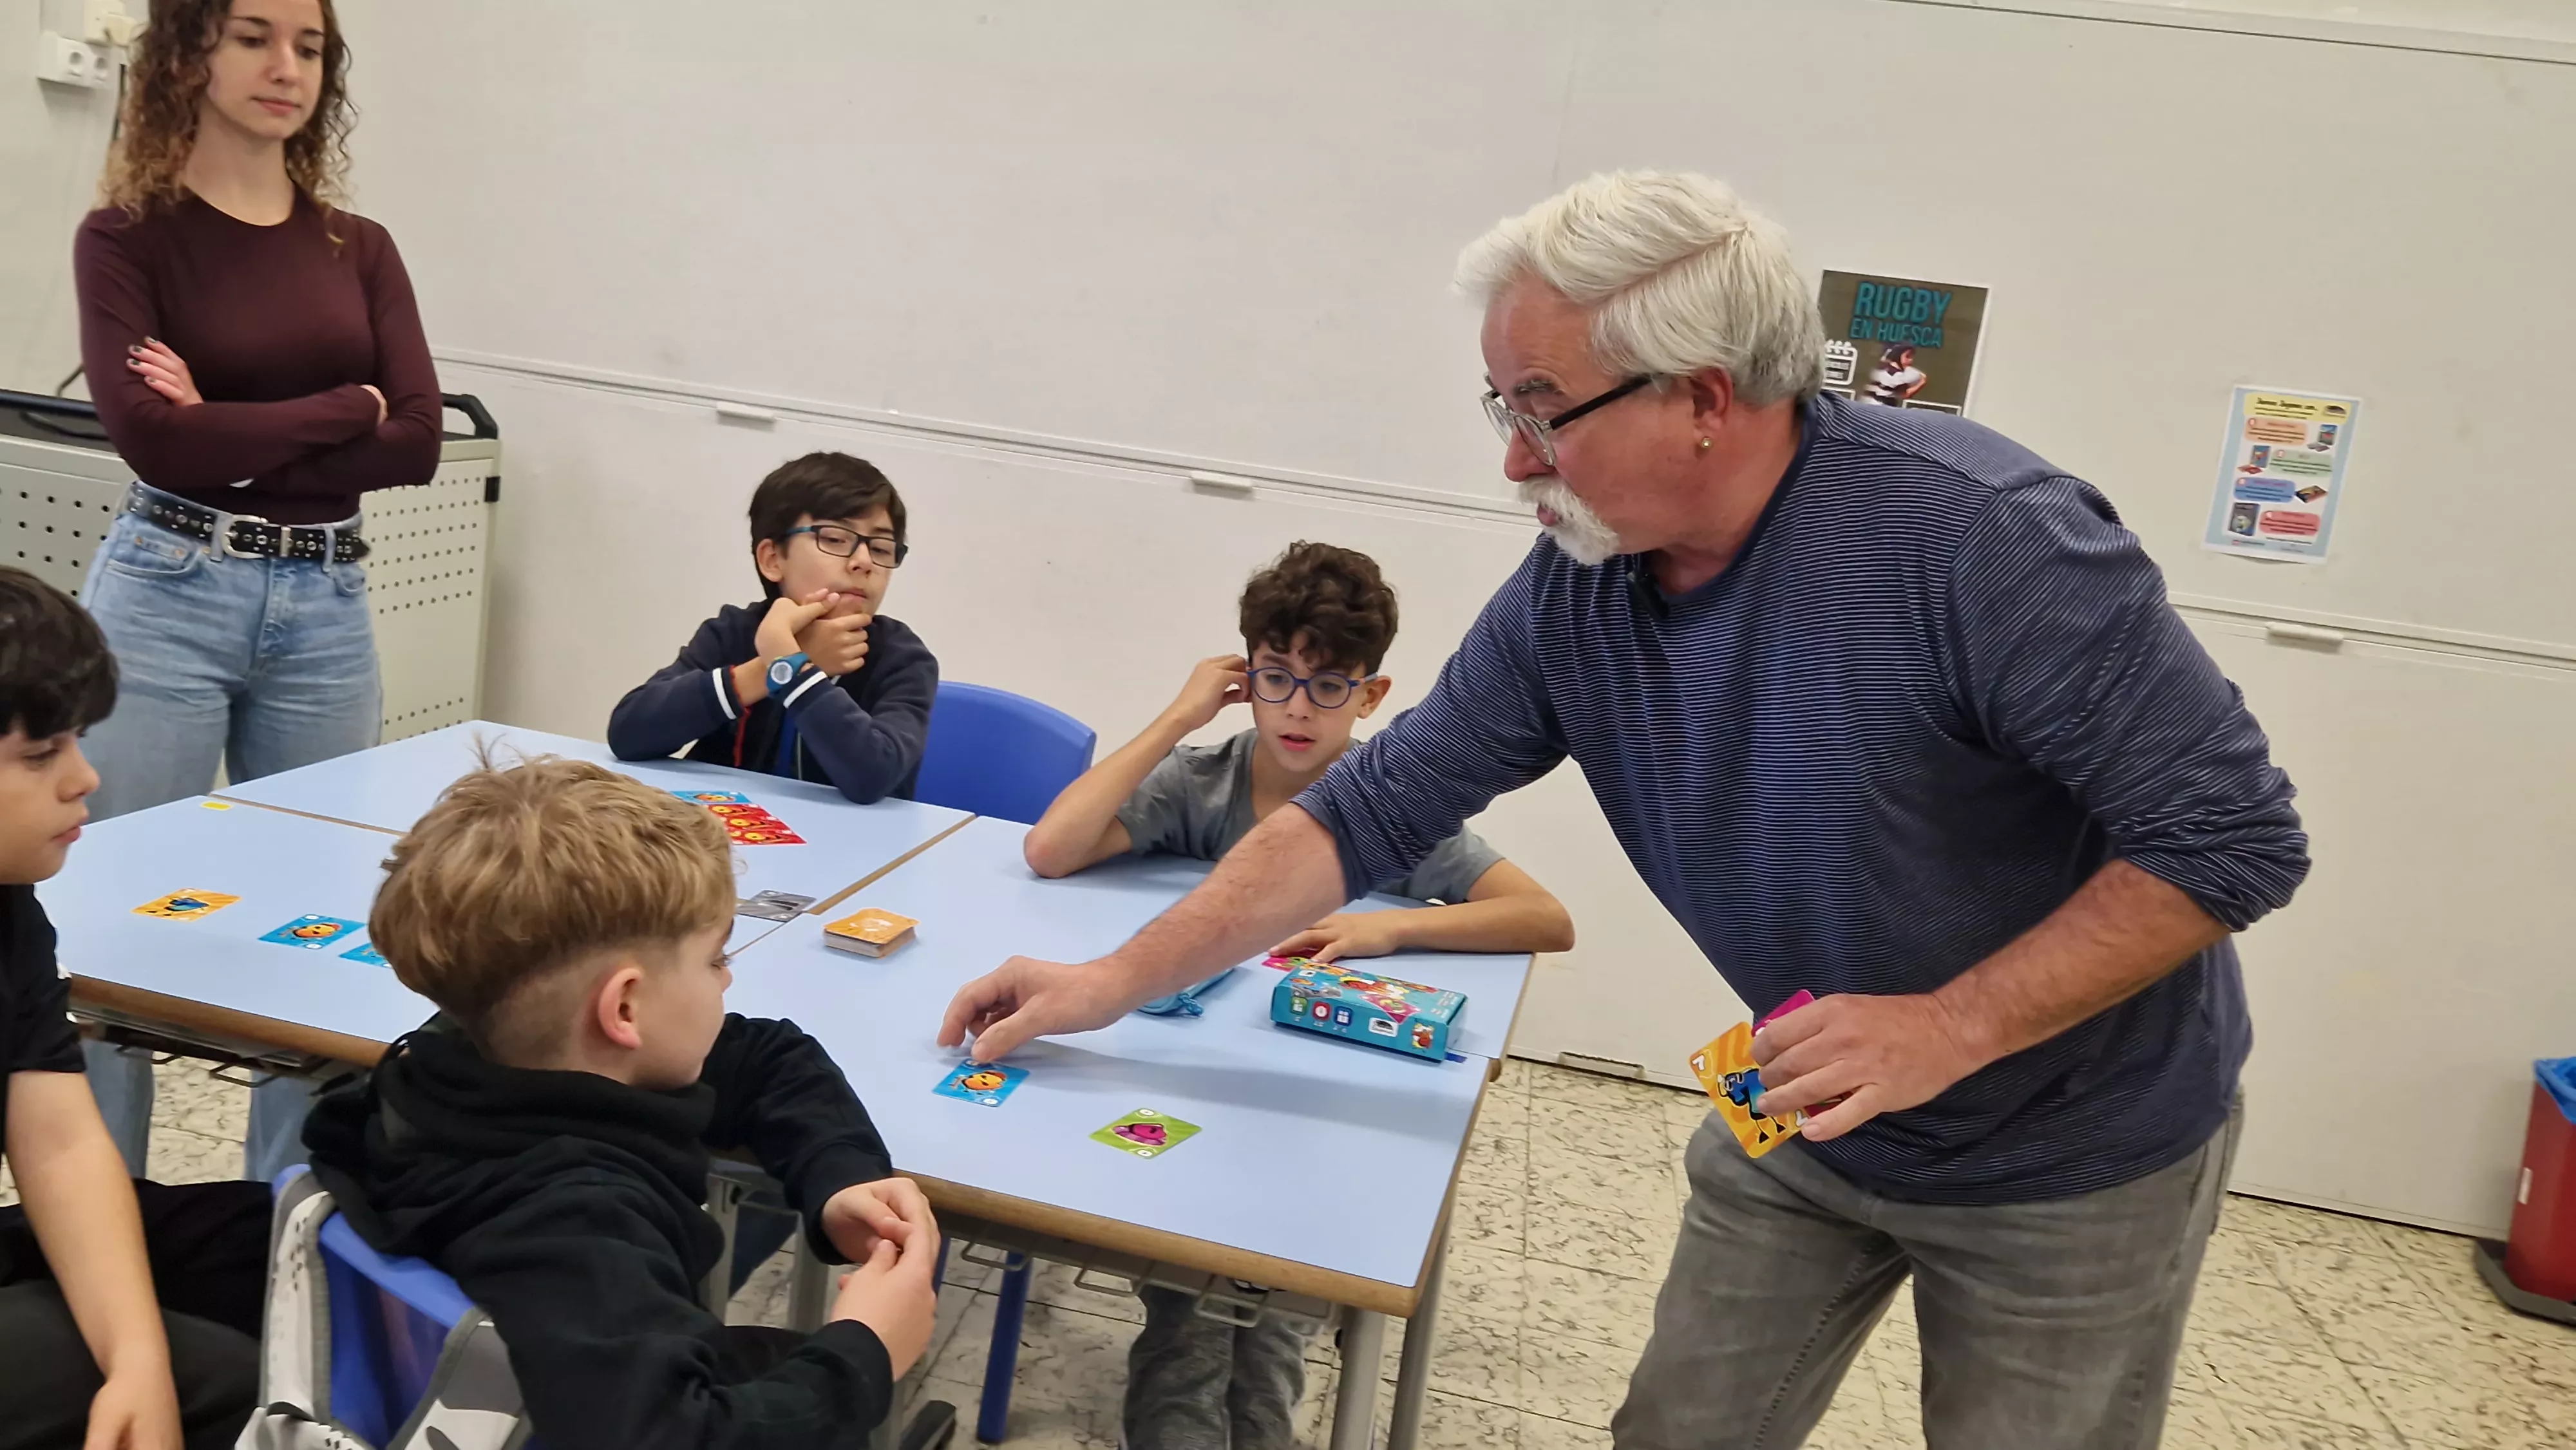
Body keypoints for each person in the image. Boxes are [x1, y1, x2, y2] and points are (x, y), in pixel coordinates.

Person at [941, 171, 2310, 1449]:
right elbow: (1364, 811)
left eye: (1540, 410)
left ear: (1704, 399)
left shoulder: (1980, 539)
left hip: (2073, 1142)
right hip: (1803, 1101)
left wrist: (1949, 1024)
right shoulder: (1578, 586)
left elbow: (2232, 837)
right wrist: (1111, 980)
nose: (1513, 464)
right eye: (1501, 412)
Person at [1018, 541, 1571, 1450]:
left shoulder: (1389, 808)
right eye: (1276, 679)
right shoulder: (1206, 780)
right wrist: (1178, 715)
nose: (1298, 709)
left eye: (1328, 686)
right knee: (1184, 1340)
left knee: (1272, 1337)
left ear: (1372, 697)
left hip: (1305, 1126)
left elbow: (1545, 918)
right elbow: (1050, 849)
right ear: (1246, 679)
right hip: (1185, 1100)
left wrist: (1390, 926)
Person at [300, 755, 941, 1450]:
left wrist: (840, 1179)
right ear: (625, 1006)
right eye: (716, 958)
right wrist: (868, 1349)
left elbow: (766, 1057)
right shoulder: (576, 1230)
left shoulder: (454, 1060)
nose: (727, 979)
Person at [70, 0, 443, 1183]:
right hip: (168, 585)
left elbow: (423, 441)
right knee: (110, 915)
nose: (287, 66)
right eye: (253, 36)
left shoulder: (358, 246)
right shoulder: (127, 239)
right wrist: (347, 408)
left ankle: (275, 1228)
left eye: (312, 46)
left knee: (325, 929)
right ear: (188, 51)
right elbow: (152, 445)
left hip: (327, 601)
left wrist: (220, 423)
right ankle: (105, 1227)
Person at [0, 568, 265, 1450]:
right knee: (223, 1378)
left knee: (275, 1246)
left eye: (74, 742)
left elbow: (62, 1142)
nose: (85, 778)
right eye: (40, 757)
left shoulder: (9, 909)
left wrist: (136, 1356)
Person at [609, 452, 937, 805]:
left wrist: (792, 668)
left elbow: (872, 775)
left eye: (881, 547)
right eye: (836, 539)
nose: (863, 562)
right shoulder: (734, 632)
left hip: (853, 850)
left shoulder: (902, 659)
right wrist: (767, 668)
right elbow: (629, 732)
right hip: (724, 843)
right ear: (773, 559)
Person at [1860, 341, 1929, 406]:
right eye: (1907, 357)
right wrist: (1922, 382)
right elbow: (1905, 394)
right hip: (1877, 409)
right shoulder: (1892, 374)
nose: (1911, 360)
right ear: (1897, 356)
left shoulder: (1883, 368)